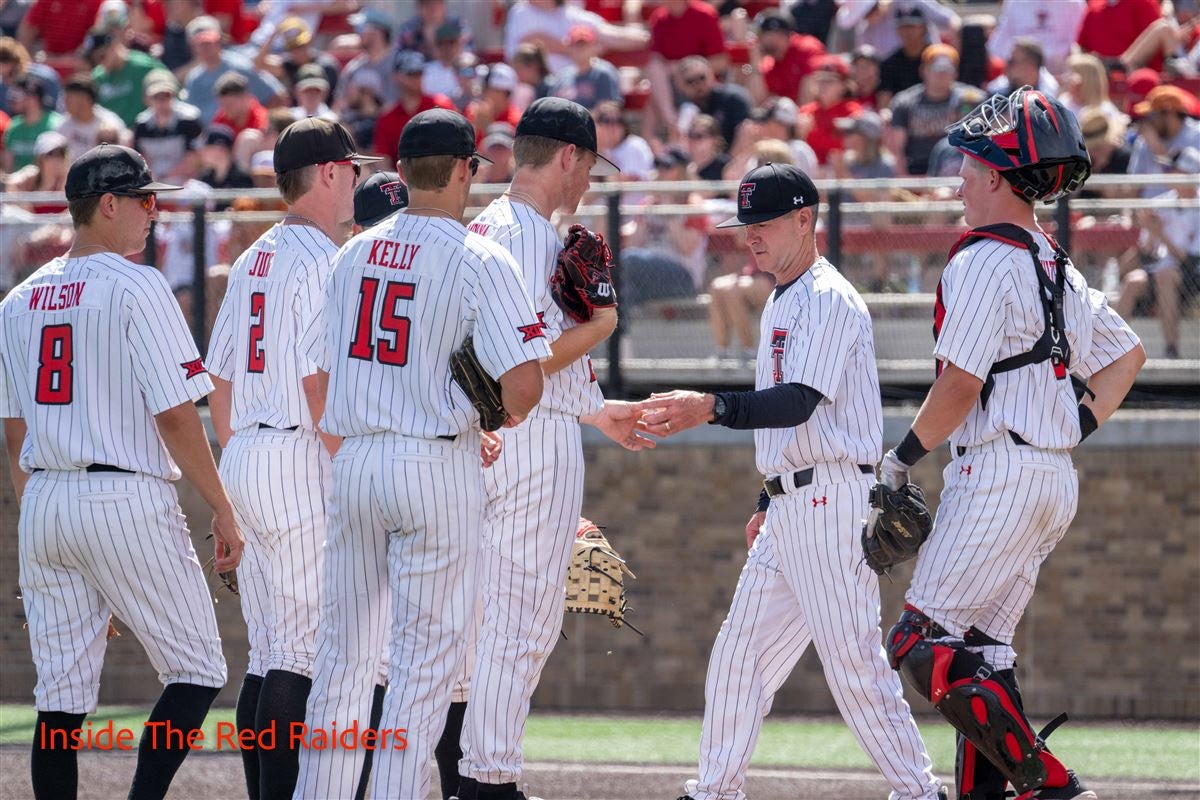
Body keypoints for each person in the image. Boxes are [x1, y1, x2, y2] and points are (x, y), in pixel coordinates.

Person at [631, 162, 944, 800]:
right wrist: (767, 496)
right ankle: (715, 790)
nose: (751, 236)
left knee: (854, 666)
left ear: (806, 220)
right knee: (738, 657)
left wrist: (711, 407)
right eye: (746, 225)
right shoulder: (782, 296)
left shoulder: (827, 296)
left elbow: (799, 401)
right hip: (793, 501)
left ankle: (920, 793)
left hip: (832, 500)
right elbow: (789, 415)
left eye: (764, 223)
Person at [876, 87, 1145, 800]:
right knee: (981, 656)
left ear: (997, 173)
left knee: (918, 639)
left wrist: (899, 460)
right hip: (1047, 476)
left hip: (998, 473)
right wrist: (1068, 428)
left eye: (967, 165)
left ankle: (1052, 786)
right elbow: (1126, 359)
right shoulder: (1058, 263)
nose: (958, 178)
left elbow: (960, 385)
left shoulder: (982, 260)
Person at [294, 108, 550, 800]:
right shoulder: (480, 255)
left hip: (355, 460)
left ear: (401, 173)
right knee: (422, 666)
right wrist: (484, 400)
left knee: (343, 660)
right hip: (435, 465)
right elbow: (523, 390)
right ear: (467, 168)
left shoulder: (351, 252)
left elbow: (316, 372)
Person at [0, 143, 243, 800]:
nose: (152, 212)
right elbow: (175, 415)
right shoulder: (138, 283)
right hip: (122, 495)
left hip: (46, 502)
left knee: (60, 698)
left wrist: (53, 532)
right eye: (143, 199)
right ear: (108, 204)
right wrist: (221, 505)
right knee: (196, 670)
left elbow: (14, 431)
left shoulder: (19, 300)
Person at [445, 96, 653, 800]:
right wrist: (602, 325)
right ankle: (488, 779)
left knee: (478, 620)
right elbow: (526, 365)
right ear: (567, 156)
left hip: (485, 434)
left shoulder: (483, 226)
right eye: (589, 165)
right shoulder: (531, 232)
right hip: (529, 439)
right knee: (524, 619)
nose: (589, 181)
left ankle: (459, 771)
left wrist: (597, 411)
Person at [206, 118, 383, 800]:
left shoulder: (255, 255)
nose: (357, 181)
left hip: (248, 449)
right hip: (298, 451)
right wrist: (357, 467)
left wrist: (234, 473)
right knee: (301, 655)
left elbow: (217, 380)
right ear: (332, 172)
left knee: (269, 654)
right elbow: (318, 386)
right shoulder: (325, 259)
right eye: (354, 169)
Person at [1117, 147, 1200, 359]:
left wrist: (1158, 233)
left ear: (1189, 174)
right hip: (1162, 272)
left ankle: (1171, 350)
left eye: (1174, 170)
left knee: (1166, 276)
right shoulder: (1160, 203)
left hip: (1192, 278)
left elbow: (1190, 262)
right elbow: (1148, 253)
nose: (1168, 174)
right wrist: (1151, 234)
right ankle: (1113, 347)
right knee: (1133, 280)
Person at [885, 45, 985, 176]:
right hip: (916, 170)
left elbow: (976, 143)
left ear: (955, 72)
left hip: (955, 168)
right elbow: (897, 150)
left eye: (946, 69)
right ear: (923, 70)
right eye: (936, 69)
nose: (941, 74)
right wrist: (907, 182)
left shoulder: (971, 99)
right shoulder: (905, 102)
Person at [183, 15, 288, 125]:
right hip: (213, 136)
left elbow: (277, 96)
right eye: (201, 44)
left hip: (245, 134)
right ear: (193, 47)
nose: (206, 48)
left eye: (209, 42)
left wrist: (262, 124)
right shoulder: (194, 78)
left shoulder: (240, 67)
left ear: (219, 42)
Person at [371, 49, 455, 161]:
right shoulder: (387, 118)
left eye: (419, 73)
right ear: (396, 76)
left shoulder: (442, 105)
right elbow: (382, 158)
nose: (416, 78)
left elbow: (458, 145)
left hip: (441, 175)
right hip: (400, 176)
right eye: (410, 74)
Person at [88, 27, 168, 128]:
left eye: (102, 56)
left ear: (114, 47)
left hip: (145, 131)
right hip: (113, 137)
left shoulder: (144, 67)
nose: (99, 63)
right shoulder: (97, 78)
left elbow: (170, 92)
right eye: (93, 60)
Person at [133, 74, 203, 184]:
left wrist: (166, 177)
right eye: (156, 97)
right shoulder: (141, 124)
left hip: (185, 181)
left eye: (166, 95)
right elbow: (140, 159)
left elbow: (193, 159)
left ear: (174, 96)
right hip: (152, 181)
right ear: (148, 99)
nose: (162, 101)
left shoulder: (189, 120)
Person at [748, 8, 825, 105]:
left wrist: (803, 113)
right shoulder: (767, 64)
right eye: (769, 35)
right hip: (784, 116)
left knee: (812, 77)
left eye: (780, 35)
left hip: (809, 113)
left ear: (789, 35)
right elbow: (758, 102)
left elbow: (814, 86)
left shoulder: (806, 47)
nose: (774, 40)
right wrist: (755, 66)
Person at [56, 73, 127, 162]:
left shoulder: (110, 123)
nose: (65, 103)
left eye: (68, 100)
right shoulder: (63, 125)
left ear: (85, 100)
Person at [548, 24, 622, 110]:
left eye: (584, 45)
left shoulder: (603, 73)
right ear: (569, 48)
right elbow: (552, 107)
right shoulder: (562, 75)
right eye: (576, 45)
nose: (580, 50)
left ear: (594, 47)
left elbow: (608, 109)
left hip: (592, 122)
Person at [2, 75, 62, 172]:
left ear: (33, 99)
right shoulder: (13, 126)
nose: (12, 100)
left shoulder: (56, 124)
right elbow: (8, 169)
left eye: (17, 95)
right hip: (18, 184)